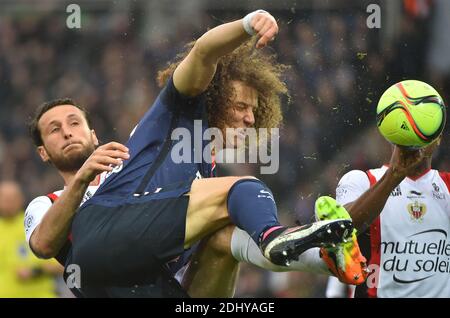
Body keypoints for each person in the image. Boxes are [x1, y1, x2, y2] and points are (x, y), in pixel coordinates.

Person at [26, 10, 356, 297]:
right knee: (244, 188)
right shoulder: (178, 113)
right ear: (214, 94)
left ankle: (318, 253)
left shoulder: (182, 168)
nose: (250, 118)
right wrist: (247, 23)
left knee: (225, 241)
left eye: (74, 122)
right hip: (103, 244)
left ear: (94, 133)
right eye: (240, 105)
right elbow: (202, 53)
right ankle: (279, 238)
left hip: (143, 281)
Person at [335, 131, 449, 297]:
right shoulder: (360, 180)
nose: (417, 136)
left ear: (438, 138)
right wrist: (393, 177)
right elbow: (341, 231)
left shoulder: (448, 185)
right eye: (409, 128)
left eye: (425, 129)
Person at [0, 181, 63, 298]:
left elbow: (62, 266)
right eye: (4, 198)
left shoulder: (35, 224)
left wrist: (35, 271)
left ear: (21, 199)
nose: (8, 203)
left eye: (12, 198)